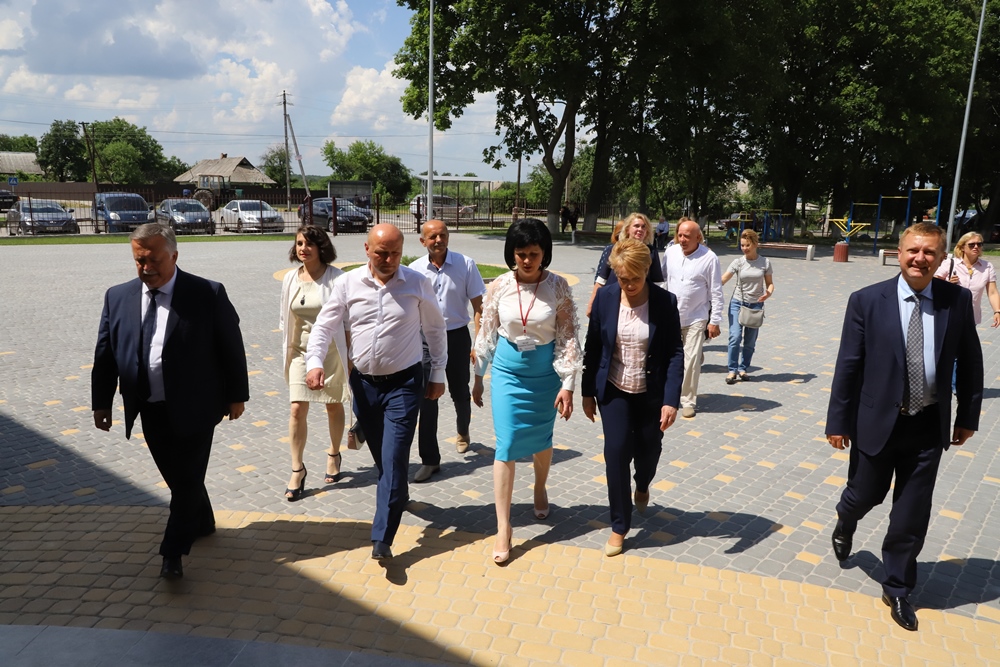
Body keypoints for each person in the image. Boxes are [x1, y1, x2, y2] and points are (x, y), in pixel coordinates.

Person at [826, 222, 983, 632]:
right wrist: (838, 421)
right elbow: (848, 365)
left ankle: (897, 586)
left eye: (930, 252)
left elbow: (970, 360)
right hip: (876, 421)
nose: (920, 258)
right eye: (914, 250)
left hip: (927, 425)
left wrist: (967, 416)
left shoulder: (956, 300)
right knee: (864, 495)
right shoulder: (866, 301)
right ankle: (846, 518)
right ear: (899, 253)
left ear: (941, 258)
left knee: (911, 514)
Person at [92, 223, 249, 580]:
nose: (146, 268)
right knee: (180, 478)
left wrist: (237, 394)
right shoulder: (117, 297)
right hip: (148, 406)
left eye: (154, 260)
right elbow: (105, 354)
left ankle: (172, 552)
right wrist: (101, 402)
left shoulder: (206, 293)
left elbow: (231, 346)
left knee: (188, 477)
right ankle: (203, 520)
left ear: (174, 256)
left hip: (197, 404)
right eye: (139, 260)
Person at [305, 224, 447, 561]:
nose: (389, 260)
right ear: (367, 249)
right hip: (364, 386)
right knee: (385, 462)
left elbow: (435, 329)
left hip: (404, 385)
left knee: (395, 458)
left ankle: (382, 536)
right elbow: (324, 325)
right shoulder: (348, 283)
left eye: (395, 253)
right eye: (382, 253)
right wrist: (314, 362)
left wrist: (438, 373)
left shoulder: (417, 283)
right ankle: (398, 495)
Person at [472, 219, 582, 565]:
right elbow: (487, 331)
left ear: (544, 253)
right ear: (512, 254)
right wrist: (478, 376)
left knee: (541, 438)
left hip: (544, 376)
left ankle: (539, 486)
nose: (527, 260)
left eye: (534, 254)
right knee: (505, 444)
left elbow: (568, 336)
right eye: (521, 254)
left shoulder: (558, 286)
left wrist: (568, 384)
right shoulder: (500, 286)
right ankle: (503, 526)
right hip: (507, 374)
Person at [582, 239, 684, 556]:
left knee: (648, 450)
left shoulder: (665, 302)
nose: (628, 284)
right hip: (614, 391)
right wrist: (586, 391)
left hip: (651, 394)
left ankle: (642, 484)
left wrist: (671, 400)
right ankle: (619, 526)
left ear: (647, 271)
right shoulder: (606, 298)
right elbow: (593, 346)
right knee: (615, 454)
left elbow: (675, 353)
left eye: (635, 278)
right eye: (622, 278)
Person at [408, 219, 486, 483]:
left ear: (448, 237)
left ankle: (463, 431)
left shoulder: (466, 264)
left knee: (460, 391)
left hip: (456, 337)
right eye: (432, 237)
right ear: (423, 242)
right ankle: (430, 460)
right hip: (425, 340)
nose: (438, 240)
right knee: (427, 397)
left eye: (442, 235)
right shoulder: (415, 270)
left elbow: (478, 307)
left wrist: (478, 342)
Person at [279, 225, 350, 501]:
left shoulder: (337, 278)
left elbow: (347, 321)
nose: (303, 249)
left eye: (309, 244)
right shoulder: (290, 278)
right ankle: (297, 469)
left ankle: (334, 453)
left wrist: (350, 357)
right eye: (299, 243)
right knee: (297, 408)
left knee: (333, 405)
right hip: (300, 352)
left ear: (321, 247)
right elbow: (285, 318)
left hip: (331, 351)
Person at [660, 217, 724, 418]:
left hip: (696, 317)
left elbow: (716, 291)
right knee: (668, 359)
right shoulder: (670, 252)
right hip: (671, 317)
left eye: (687, 236)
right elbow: (661, 279)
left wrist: (715, 320)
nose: (682, 239)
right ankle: (667, 395)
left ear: (698, 237)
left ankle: (687, 400)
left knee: (692, 361)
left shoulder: (709, 258)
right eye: (679, 235)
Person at [720, 229, 775, 384]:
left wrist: (768, 293)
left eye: (747, 245)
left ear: (755, 244)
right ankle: (732, 370)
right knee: (735, 337)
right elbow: (723, 279)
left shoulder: (765, 263)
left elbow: (770, 284)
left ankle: (743, 368)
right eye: (742, 245)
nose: (744, 248)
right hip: (738, 303)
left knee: (750, 342)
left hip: (756, 305)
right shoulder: (738, 262)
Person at [586, 213, 664, 317]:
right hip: (611, 301)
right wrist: (591, 305)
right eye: (636, 226)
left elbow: (657, 283)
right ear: (627, 229)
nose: (640, 229)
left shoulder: (651, 252)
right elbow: (601, 280)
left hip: (640, 305)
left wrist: (660, 306)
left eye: (643, 227)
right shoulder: (614, 249)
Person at [934, 231, 1000, 328]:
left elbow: (992, 292)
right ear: (962, 247)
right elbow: (934, 285)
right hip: (949, 315)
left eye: (979, 244)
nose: (976, 247)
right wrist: (948, 283)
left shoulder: (987, 266)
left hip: (972, 317)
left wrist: (997, 311)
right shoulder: (949, 263)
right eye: (971, 245)